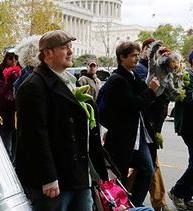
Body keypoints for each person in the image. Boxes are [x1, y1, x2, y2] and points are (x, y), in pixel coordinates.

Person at [15, 30, 107, 211]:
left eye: (70, 47)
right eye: (64, 48)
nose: (71, 52)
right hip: (54, 181)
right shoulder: (33, 86)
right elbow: (34, 137)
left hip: (79, 176)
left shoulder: (72, 82)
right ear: (47, 53)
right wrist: (48, 178)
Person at [101, 41, 159, 207]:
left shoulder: (133, 77)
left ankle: (134, 204)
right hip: (122, 137)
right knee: (120, 176)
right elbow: (132, 106)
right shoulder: (117, 80)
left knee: (147, 170)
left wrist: (151, 91)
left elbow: (144, 101)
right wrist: (150, 91)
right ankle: (121, 206)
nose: (136, 58)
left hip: (138, 136)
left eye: (137, 55)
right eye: (133, 55)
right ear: (122, 57)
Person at [133, 39, 171, 211]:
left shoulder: (156, 68)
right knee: (149, 167)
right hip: (145, 126)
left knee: (144, 169)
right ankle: (158, 202)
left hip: (152, 127)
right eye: (147, 48)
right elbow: (146, 96)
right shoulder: (142, 69)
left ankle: (130, 201)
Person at [169, 50, 193, 210]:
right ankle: (177, 192)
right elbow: (188, 99)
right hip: (188, 125)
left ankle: (186, 195)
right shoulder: (186, 77)